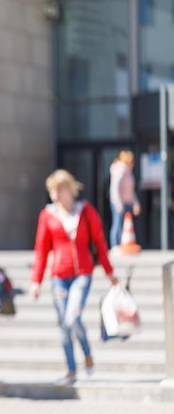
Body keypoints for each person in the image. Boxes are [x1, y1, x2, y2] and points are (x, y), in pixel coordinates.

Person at [30, 169, 118, 385]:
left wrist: (109, 272)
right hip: (59, 275)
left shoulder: (86, 211)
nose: (55, 195)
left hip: (82, 274)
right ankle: (71, 369)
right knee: (63, 324)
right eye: (51, 191)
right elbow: (41, 250)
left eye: (58, 189)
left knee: (72, 317)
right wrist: (36, 281)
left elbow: (100, 243)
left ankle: (87, 354)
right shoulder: (48, 215)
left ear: (69, 189)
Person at [109, 150, 140, 249]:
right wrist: (118, 203)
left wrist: (136, 203)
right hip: (119, 203)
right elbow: (115, 188)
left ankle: (123, 245)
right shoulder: (120, 170)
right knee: (117, 224)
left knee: (125, 226)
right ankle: (115, 245)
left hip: (127, 202)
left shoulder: (129, 173)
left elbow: (131, 191)